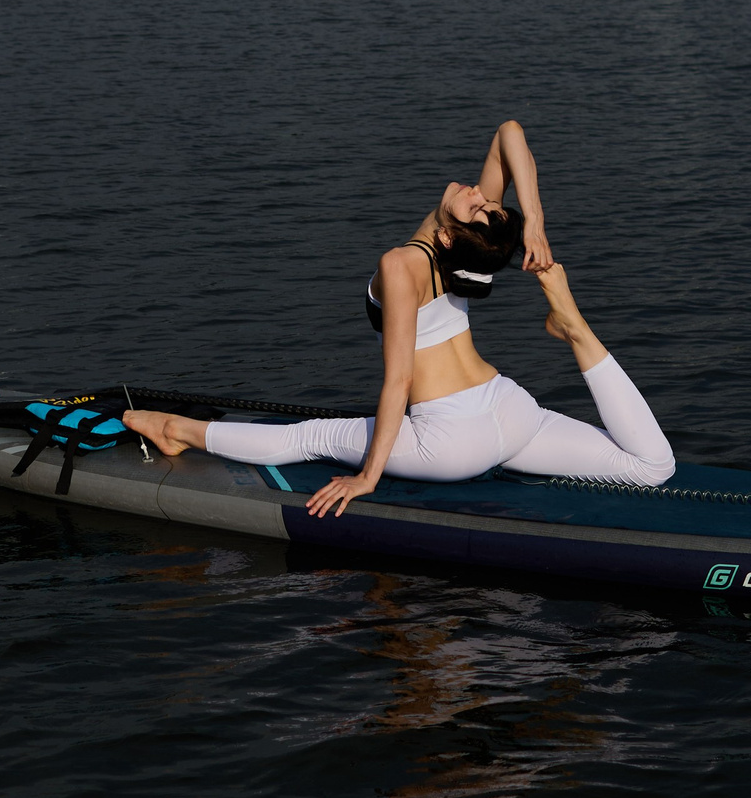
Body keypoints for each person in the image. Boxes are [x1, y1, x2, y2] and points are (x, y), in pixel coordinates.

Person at [123, 120, 675, 519]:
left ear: (450, 237)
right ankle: (572, 324)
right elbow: (509, 133)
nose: (477, 192)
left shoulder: (401, 266)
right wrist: (532, 221)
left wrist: (368, 476)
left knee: (313, 436)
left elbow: (399, 381)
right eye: (485, 201)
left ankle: (176, 431)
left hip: (452, 441)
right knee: (654, 467)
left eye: (480, 206)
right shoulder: (467, 249)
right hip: (512, 410)